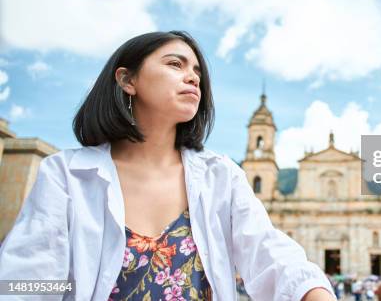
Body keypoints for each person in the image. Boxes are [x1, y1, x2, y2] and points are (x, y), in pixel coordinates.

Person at [0, 31, 336, 301]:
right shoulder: (67, 174)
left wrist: (313, 292)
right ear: (127, 80)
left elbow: (269, 253)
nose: (192, 77)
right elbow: (24, 280)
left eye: (197, 72)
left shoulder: (222, 175)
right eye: (176, 64)